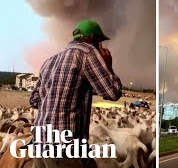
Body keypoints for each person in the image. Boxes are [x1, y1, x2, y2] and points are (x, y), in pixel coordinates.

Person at [30, 20, 122, 168]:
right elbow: (113, 92)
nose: (102, 47)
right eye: (101, 42)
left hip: (39, 143)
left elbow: (34, 100)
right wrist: (108, 66)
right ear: (94, 38)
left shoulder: (50, 61)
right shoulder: (87, 53)